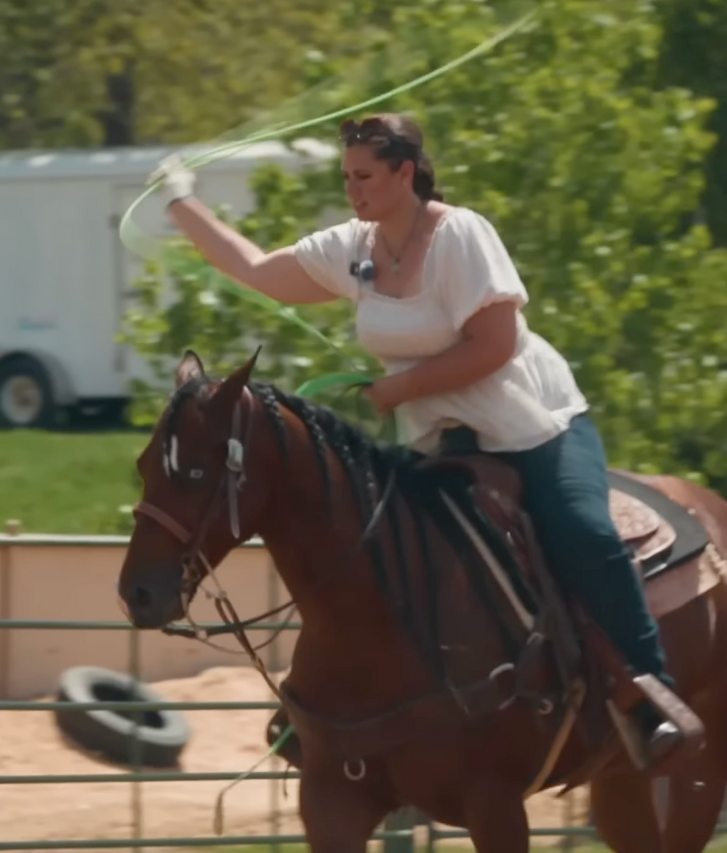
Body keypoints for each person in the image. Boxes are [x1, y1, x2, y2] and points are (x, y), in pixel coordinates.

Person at [147, 112, 697, 769]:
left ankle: (650, 695)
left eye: (365, 177)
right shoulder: (354, 247)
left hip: (530, 425)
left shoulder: (461, 235)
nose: (353, 191)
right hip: (439, 438)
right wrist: (179, 199)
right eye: (346, 177)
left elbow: (493, 348)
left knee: (585, 530)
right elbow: (259, 269)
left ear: (406, 173)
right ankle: (333, 703)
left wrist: (393, 392)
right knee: (363, 547)